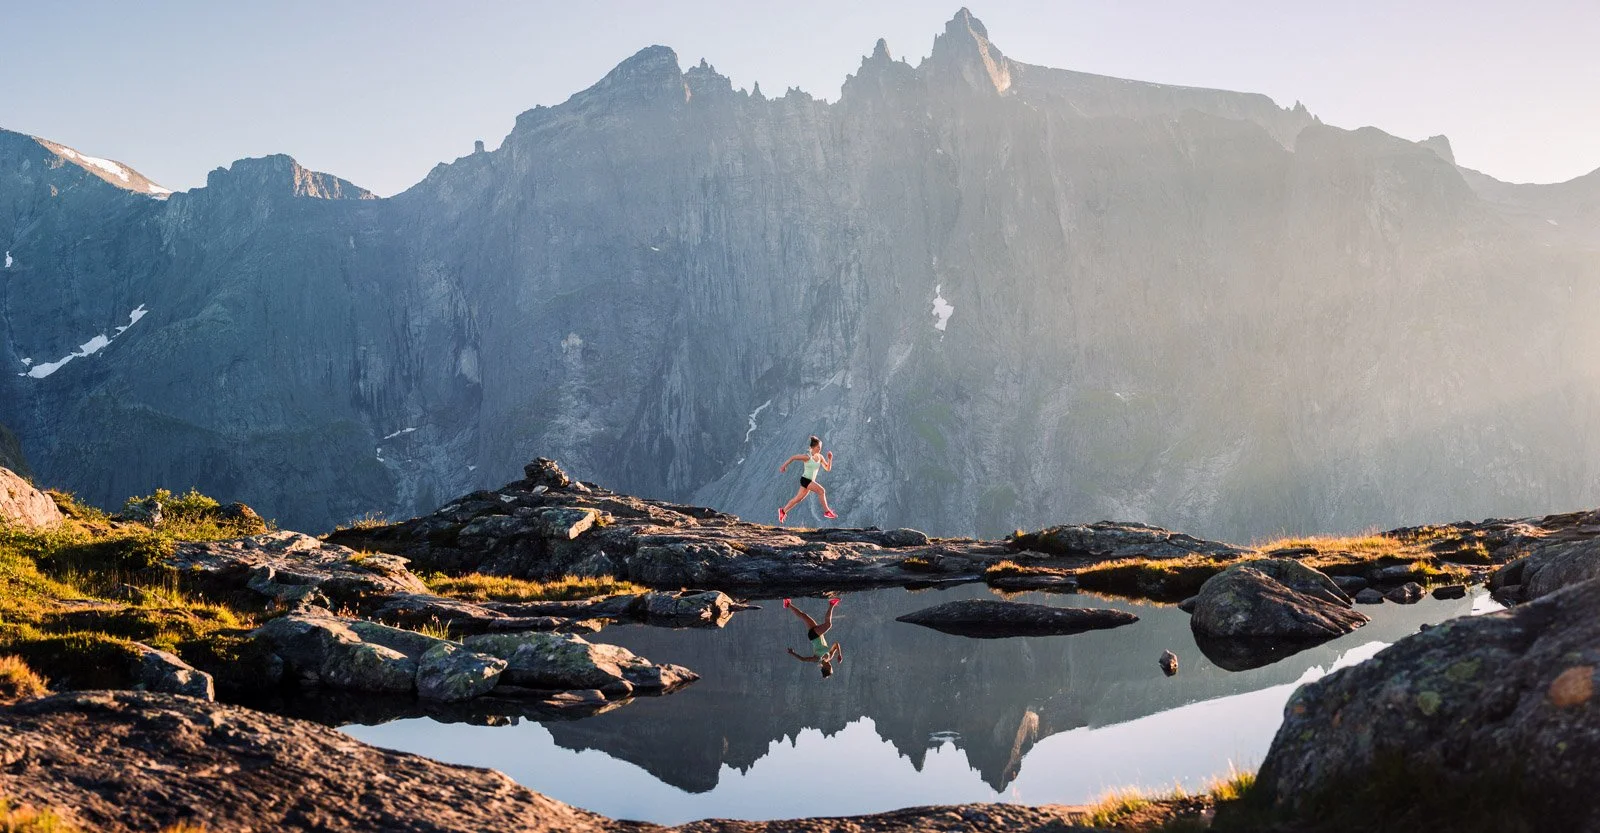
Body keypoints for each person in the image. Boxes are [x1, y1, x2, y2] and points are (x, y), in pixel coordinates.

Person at [778, 436, 836, 524]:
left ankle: (783, 511)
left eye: (820, 448)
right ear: (813, 447)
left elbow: (828, 468)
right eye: (818, 447)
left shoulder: (820, 457)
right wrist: (784, 466)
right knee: (821, 491)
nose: (820, 449)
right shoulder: (807, 457)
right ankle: (827, 511)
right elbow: (793, 457)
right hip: (805, 480)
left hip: (810, 481)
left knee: (798, 499)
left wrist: (830, 459)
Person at [784, 597, 844, 677]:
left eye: (829, 668)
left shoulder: (817, 659)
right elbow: (836, 644)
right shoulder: (830, 656)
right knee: (804, 616)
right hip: (817, 634)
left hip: (814, 636)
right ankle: (788, 604)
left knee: (828, 625)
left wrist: (792, 653)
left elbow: (803, 659)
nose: (830, 666)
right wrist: (840, 654)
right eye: (831, 667)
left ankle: (832, 604)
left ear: (825, 668)